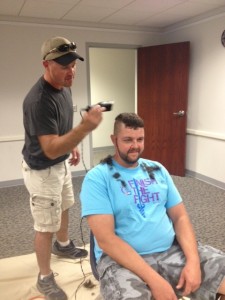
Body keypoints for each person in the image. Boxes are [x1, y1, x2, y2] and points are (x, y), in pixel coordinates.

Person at [80, 112, 225, 300]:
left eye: (140, 139)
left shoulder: (157, 169)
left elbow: (180, 217)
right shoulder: (98, 178)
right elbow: (106, 239)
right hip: (122, 261)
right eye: (128, 140)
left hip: (170, 249)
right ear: (114, 140)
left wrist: (193, 262)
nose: (135, 146)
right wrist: (155, 280)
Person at [21, 36, 105, 300]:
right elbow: (50, 148)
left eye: (73, 64)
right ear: (46, 65)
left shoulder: (64, 88)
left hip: (60, 165)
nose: (71, 71)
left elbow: (62, 126)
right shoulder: (38, 101)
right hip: (42, 171)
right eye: (64, 65)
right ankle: (44, 278)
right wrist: (85, 129)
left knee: (65, 204)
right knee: (45, 225)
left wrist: (73, 142)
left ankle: (64, 245)